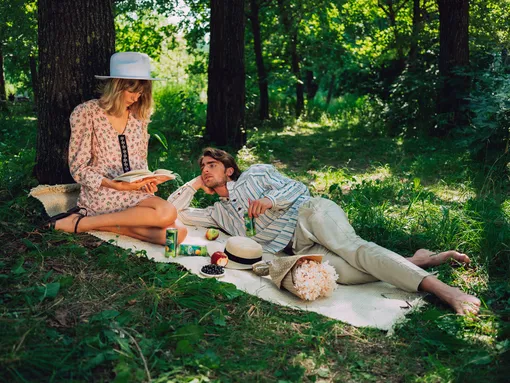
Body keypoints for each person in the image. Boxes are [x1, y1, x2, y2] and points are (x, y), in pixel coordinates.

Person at [168, 147, 481, 315]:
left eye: (211, 164)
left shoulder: (254, 175)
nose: (205, 169)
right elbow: (173, 209)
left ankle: (445, 292)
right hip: (298, 250)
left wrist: (269, 199)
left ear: (229, 169)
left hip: (309, 214)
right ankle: (418, 260)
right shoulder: (216, 214)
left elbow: (295, 187)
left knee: (354, 248)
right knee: (347, 273)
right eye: (201, 167)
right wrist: (197, 183)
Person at [47, 52, 186, 245]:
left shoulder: (139, 117)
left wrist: (146, 181)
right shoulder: (86, 113)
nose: (137, 98)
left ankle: (84, 223)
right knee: (168, 211)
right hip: (103, 193)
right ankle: (84, 221)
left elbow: (140, 163)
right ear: (117, 86)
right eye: (132, 92)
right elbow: (78, 169)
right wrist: (114, 185)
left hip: (134, 194)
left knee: (178, 234)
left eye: (141, 93)